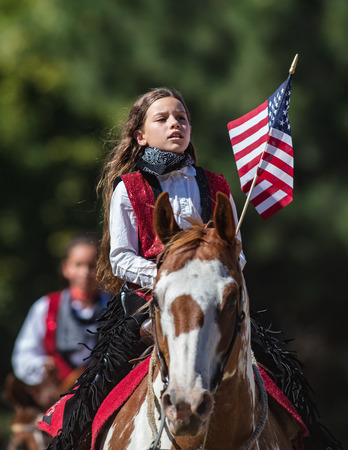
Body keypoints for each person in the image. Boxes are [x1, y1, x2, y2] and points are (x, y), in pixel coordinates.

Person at [46, 88, 341, 450]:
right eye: (163, 118)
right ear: (140, 136)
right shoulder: (129, 188)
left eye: (182, 118)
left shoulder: (216, 184)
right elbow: (121, 258)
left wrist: (215, 270)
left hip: (215, 303)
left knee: (286, 376)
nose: (175, 124)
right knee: (91, 394)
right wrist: (171, 278)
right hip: (145, 308)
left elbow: (239, 255)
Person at [6, 234, 108, 448]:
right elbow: (23, 355)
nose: (85, 272)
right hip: (53, 399)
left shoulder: (114, 305)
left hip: (103, 394)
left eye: (91, 265)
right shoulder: (46, 307)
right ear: (66, 268)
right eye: (78, 265)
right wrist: (41, 366)